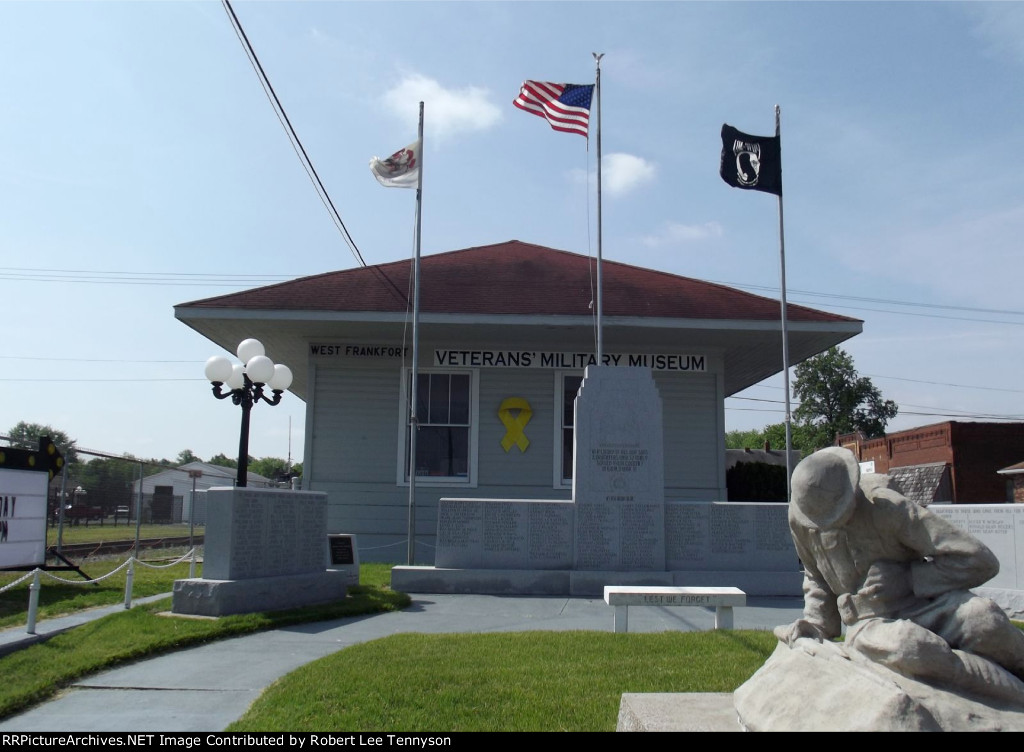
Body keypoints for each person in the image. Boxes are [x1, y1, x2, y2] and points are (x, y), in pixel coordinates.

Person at [775, 447, 1024, 697]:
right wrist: (816, 624)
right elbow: (815, 575)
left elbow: (978, 559)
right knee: (911, 647)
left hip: (926, 605)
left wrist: (909, 579)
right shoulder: (804, 519)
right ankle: (1007, 693)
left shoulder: (887, 508)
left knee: (984, 619)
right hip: (870, 624)